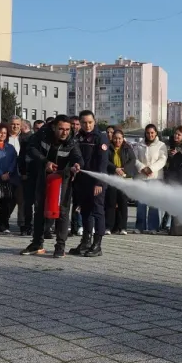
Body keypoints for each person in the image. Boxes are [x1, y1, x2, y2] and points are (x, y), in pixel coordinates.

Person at [20, 116, 82, 258]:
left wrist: (77, 165)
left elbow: (78, 156)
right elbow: (31, 148)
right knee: (40, 208)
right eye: (61, 129)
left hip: (63, 178)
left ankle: (60, 246)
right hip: (43, 176)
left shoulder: (72, 141)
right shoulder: (42, 134)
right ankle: (37, 244)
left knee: (63, 211)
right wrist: (45, 162)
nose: (64, 132)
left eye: (67, 129)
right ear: (53, 127)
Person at [69, 110, 109, 257]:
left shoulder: (101, 138)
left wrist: (99, 182)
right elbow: (74, 155)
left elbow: (103, 163)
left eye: (90, 122)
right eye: (84, 122)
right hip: (82, 182)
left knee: (98, 212)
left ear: (94, 121)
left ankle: (97, 245)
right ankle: (85, 242)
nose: (87, 125)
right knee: (85, 212)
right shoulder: (77, 138)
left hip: (97, 182)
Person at [133, 124, 168, 233]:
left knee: (153, 204)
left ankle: (153, 227)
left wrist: (151, 169)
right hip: (141, 178)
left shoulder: (161, 145)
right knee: (141, 204)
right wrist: (142, 168)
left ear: (156, 133)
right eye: (148, 133)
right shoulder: (139, 145)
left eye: (152, 132)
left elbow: (163, 160)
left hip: (155, 178)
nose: (150, 135)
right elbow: (134, 159)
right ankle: (140, 227)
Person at [105, 129, 136, 235]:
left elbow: (132, 160)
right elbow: (105, 161)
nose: (117, 141)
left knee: (123, 204)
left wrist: (124, 169)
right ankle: (109, 227)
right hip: (112, 178)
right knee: (111, 203)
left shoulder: (128, 148)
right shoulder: (108, 147)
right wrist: (115, 168)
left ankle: (123, 227)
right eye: (115, 138)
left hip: (124, 179)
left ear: (123, 138)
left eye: (119, 138)